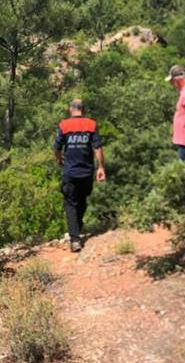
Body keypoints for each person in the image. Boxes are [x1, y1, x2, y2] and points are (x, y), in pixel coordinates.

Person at [53, 98, 106, 252]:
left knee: (70, 203)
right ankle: (77, 230)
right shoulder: (91, 124)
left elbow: (56, 148)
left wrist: (59, 159)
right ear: (83, 109)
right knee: (81, 201)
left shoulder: (64, 125)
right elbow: (98, 148)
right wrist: (101, 167)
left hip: (70, 171)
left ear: (71, 109)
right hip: (87, 172)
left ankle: (75, 239)